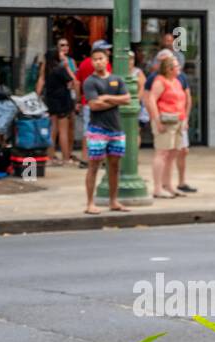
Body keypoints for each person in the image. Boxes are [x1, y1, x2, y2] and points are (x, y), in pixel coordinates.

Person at [81, 41, 129, 214]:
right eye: (95, 60)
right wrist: (116, 100)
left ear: (107, 59)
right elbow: (93, 105)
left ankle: (114, 201)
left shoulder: (117, 79)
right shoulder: (89, 82)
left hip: (116, 129)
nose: (98, 62)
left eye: (100, 59)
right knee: (93, 166)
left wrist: (107, 97)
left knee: (114, 167)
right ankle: (89, 203)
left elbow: (127, 99)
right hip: (97, 129)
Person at [145, 50, 187, 199]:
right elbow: (151, 100)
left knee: (172, 154)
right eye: (176, 66)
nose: (179, 68)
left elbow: (182, 100)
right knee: (161, 153)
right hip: (165, 120)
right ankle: (157, 188)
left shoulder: (176, 81)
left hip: (177, 120)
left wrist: (184, 119)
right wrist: (157, 121)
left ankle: (168, 185)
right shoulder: (159, 81)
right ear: (169, 69)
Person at [37, 38, 77, 165]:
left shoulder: (47, 68)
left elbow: (41, 80)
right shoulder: (60, 68)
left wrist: (36, 95)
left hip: (51, 100)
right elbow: (73, 80)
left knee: (52, 129)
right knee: (63, 131)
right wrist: (66, 66)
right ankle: (66, 158)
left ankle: (50, 156)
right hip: (62, 100)